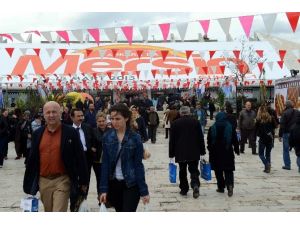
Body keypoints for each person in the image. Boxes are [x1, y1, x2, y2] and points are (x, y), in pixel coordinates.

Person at [23, 101, 88, 212]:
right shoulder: (38, 133)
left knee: (58, 211)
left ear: (60, 113)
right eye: (48, 112)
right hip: (43, 181)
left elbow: (80, 157)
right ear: (43, 114)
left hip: (62, 180)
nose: (51, 115)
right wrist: (28, 183)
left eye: (54, 112)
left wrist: (83, 181)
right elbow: (32, 159)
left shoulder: (70, 132)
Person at [99, 103, 150, 212]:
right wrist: (103, 189)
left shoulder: (135, 138)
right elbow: (105, 164)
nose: (114, 122)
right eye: (112, 119)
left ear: (126, 118)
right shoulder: (107, 137)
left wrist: (144, 191)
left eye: (118, 119)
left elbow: (138, 165)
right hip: (114, 184)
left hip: (131, 183)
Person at [169, 106, 205, 199]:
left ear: (180, 113)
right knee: (194, 170)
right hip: (194, 151)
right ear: (189, 113)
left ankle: (184, 189)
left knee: (182, 170)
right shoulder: (195, 122)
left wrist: (171, 153)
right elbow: (200, 138)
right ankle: (195, 184)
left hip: (180, 152)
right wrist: (202, 150)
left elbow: (172, 140)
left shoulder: (175, 123)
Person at [207, 112, 240, 197]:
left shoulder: (212, 127)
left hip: (216, 153)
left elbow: (209, 141)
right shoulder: (230, 127)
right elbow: (235, 140)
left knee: (218, 171)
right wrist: (237, 150)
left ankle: (221, 187)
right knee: (228, 170)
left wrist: (210, 149)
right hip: (227, 152)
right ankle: (230, 185)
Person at [70, 108, 95, 207]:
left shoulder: (87, 127)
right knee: (74, 181)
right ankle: (74, 203)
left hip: (86, 158)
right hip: (74, 159)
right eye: (78, 116)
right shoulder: (68, 130)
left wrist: (92, 148)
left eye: (82, 116)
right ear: (72, 117)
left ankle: (83, 201)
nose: (81, 118)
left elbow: (92, 139)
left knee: (85, 180)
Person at [93, 112, 110, 201]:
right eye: (99, 121)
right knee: (99, 180)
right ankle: (101, 199)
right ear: (96, 122)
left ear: (106, 121)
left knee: (109, 179)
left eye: (103, 121)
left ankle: (109, 199)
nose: (101, 123)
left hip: (109, 160)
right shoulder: (94, 131)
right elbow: (91, 144)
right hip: (98, 161)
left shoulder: (111, 131)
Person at [255, 105, 277, 173]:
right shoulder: (271, 118)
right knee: (268, 154)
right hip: (270, 138)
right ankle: (267, 168)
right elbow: (275, 126)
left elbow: (256, 128)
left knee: (261, 154)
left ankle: (267, 165)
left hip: (262, 138)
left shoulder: (258, 119)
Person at [279, 100, 298, 170]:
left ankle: (287, 165)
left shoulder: (284, 113)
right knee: (298, 149)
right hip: (296, 133)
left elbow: (282, 125)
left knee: (286, 149)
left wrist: (280, 135)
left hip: (287, 133)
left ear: (285, 105)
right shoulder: (297, 112)